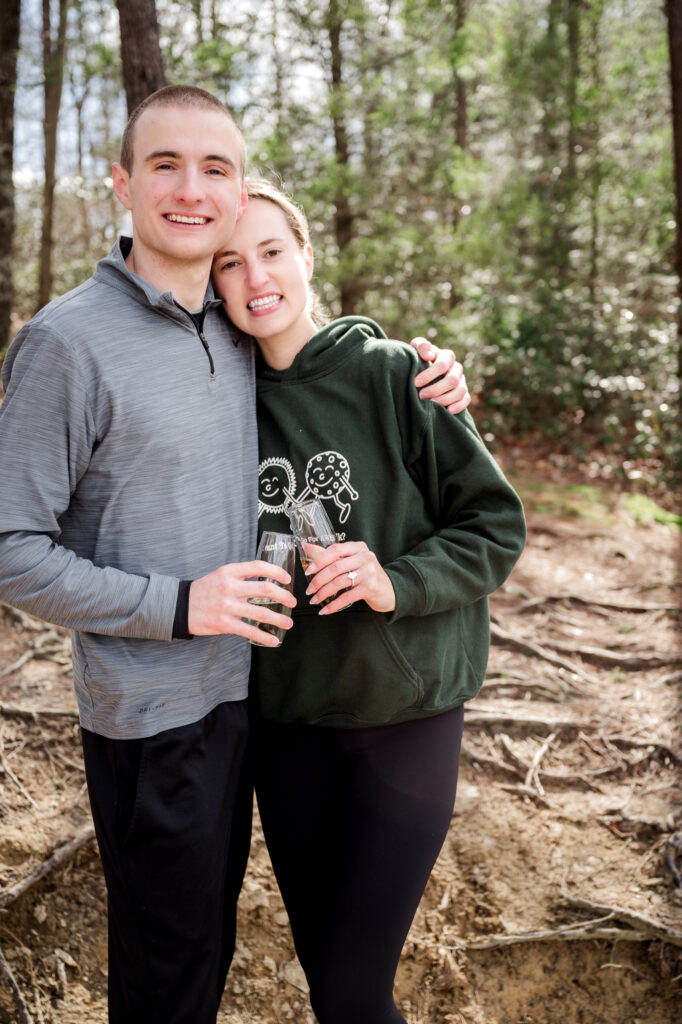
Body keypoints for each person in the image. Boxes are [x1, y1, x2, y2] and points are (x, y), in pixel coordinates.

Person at [0, 87, 471, 1024]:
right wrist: (180, 606)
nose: (190, 187)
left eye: (215, 167)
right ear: (121, 183)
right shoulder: (65, 344)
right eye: (164, 164)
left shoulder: (234, 323)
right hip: (153, 719)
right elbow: (11, 550)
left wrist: (433, 376)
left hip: (257, 702)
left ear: (241, 186)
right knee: (167, 981)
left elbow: (327, 361)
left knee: (210, 958)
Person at [212, 178, 526, 1024]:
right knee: (335, 992)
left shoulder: (395, 377)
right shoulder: (213, 399)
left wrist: (396, 579)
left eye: (272, 251)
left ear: (307, 257)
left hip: (405, 719)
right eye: (228, 262)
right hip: (286, 731)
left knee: (352, 993)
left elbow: (495, 526)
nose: (255, 277)